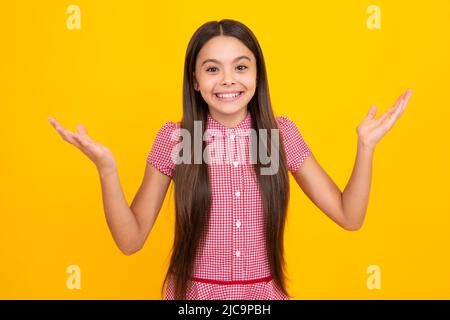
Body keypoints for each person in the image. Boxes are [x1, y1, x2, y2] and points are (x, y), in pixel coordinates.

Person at [48, 19, 412, 300]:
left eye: (240, 67)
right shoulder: (179, 140)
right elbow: (130, 241)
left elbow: (349, 216)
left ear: (257, 75)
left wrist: (366, 147)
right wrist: (107, 169)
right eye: (212, 69)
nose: (227, 80)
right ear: (195, 80)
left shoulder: (276, 137)